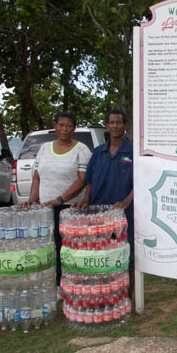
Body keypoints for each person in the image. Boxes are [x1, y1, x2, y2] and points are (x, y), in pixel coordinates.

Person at [19, 112, 92, 285]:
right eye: (61, 125)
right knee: (52, 248)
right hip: (47, 208)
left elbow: (83, 180)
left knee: (70, 248)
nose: (65, 129)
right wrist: (32, 199)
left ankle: (74, 283)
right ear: (55, 126)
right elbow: (37, 177)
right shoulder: (45, 148)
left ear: (74, 128)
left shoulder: (81, 149)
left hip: (70, 208)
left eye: (69, 126)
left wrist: (60, 199)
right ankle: (59, 283)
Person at [74, 109, 134, 250]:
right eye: (112, 122)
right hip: (98, 211)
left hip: (122, 213)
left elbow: (139, 183)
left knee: (122, 251)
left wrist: (126, 202)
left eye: (118, 123)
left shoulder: (133, 152)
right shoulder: (98, 152)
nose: (115, 126)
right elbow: (89, 181)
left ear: (125, 125)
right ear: (107, 125)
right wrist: (86, 198)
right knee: (99, 249)